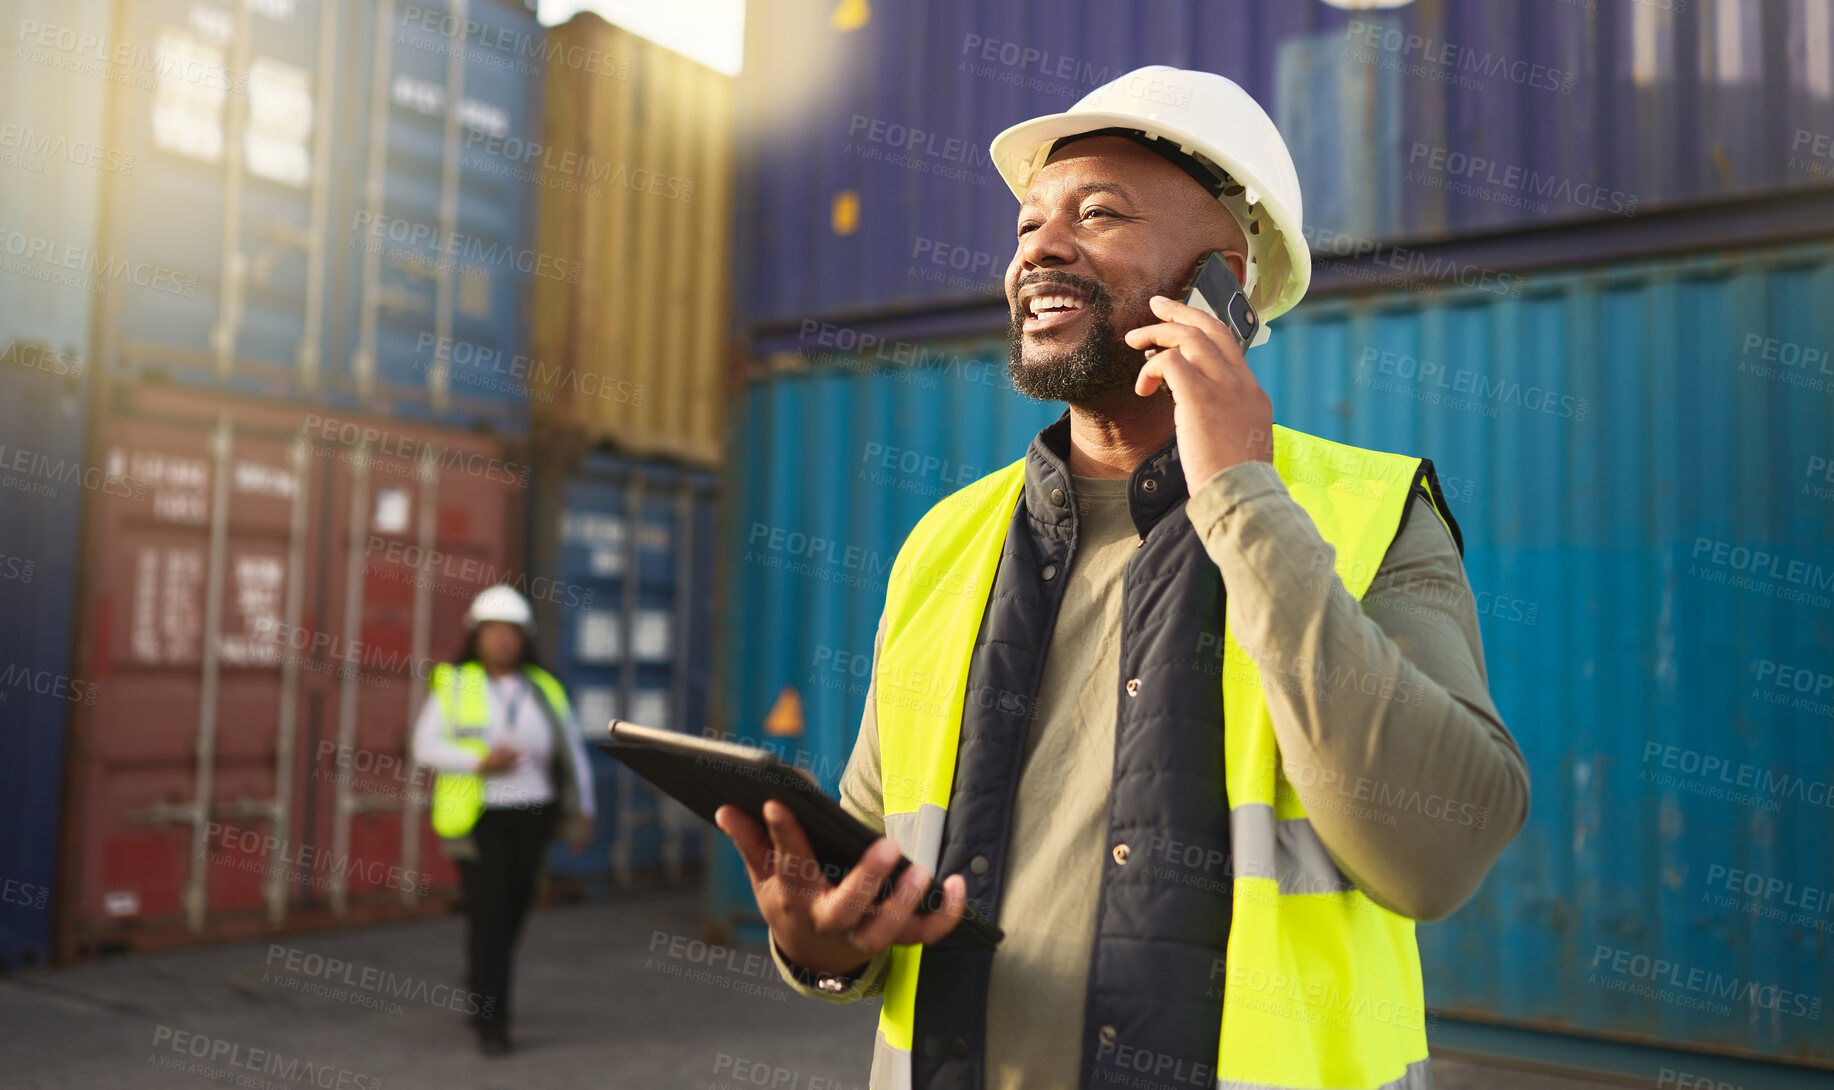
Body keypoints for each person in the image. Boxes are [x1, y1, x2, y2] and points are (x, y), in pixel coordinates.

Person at [715, 66, 1530, 1090]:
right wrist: (820, 948)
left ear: (1221, 278)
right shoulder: (946, 540)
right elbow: (876, 881)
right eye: (1025, 227)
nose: (1041, 248)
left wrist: (1239, 490)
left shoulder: (1367, 514)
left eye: (1098, 213)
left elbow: (1435, 852)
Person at [411, 584, 595, 1056]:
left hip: (534, 813)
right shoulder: (456, 683)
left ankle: (480, 982)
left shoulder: (545, 686)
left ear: (524, 638)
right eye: (492, 632)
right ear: (477, 636)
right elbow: (424, 746)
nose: (502, 641)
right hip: (483, 817)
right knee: (491, 918)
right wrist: (479, 762)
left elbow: (572, 751)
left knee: (513, 912)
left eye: (510, 633)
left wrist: (585, 810)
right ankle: (492, 1024)